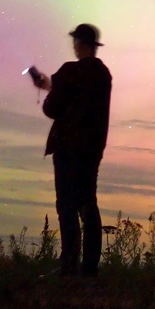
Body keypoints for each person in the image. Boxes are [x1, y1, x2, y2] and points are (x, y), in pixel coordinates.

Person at [33, 24, 112, 277]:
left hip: (68, 148)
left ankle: (68, 264)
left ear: (79, 43)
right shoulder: (103, 74)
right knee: (88, 204)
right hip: (92, 149)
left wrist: (48, 88)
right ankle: (89, 268)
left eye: (75, 42)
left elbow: (53, 108)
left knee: (66, 205)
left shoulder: (70, 71)